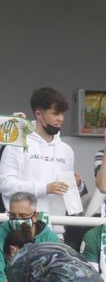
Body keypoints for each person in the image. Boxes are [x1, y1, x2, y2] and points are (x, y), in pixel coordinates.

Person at [1, 87, 78, 216]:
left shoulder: (66, 150)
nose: (61, 119)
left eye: (62, 114)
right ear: (38, 114)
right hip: (22, 223)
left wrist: (78, 185)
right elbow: (5, 184)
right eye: (55, 113)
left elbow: (69, 196)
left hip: (56, 227)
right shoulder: (18, 144)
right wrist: (45, 188)